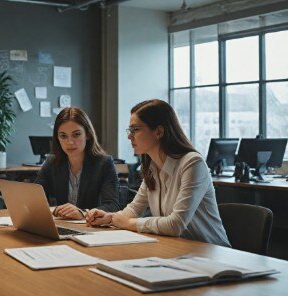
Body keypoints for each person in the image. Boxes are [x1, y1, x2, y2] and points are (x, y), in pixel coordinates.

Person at [86, 99, 230, 246]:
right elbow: (134, 209)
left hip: (213, 253)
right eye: (130, 130)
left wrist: (129, 223)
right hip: (177, 250)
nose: (129, 136)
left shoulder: (192, 163)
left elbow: (175, 225)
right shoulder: (150, 167)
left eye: (135, 129)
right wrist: (110, 218)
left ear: (159, 132)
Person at [33, 107, 119, 219]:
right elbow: (35, 199)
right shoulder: (51, 162)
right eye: (63, 136)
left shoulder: (104, 163)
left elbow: (112, 206)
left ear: (87, 134)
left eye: (76, 134)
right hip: (63, 225)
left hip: (91, 229)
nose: (70, 142)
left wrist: (83, 213)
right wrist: (55, 210)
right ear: (57, 138)